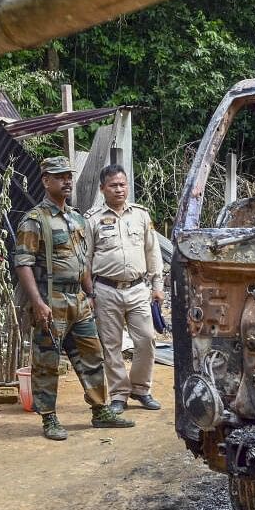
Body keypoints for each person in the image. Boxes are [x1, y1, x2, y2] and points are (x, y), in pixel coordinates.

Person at [12, 156, 135, 440]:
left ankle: (100, 410)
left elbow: (83, 262)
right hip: (51, 299)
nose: (67, 181)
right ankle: (49, 417)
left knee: (92, 354)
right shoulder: (34, 220)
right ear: (45, 181)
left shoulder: (77, 217)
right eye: (60, 176)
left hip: (78, 299)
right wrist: (38, 303)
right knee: (47, 361)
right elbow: (23, 263)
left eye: (69, 176)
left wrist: (90, 293)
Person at [85, 164, 165, 414]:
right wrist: (90, 294)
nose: (119, 189)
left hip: (138, 289)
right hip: (106, 291)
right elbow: (85, 260)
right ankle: (119, 395)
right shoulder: (93, 220)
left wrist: (157, 286)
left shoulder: (141, 215)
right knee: (112, 345)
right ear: (102, 189)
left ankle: (141, 389)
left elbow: (153, 252)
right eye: (113, 185)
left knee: (147, 340)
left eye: (122, 184)